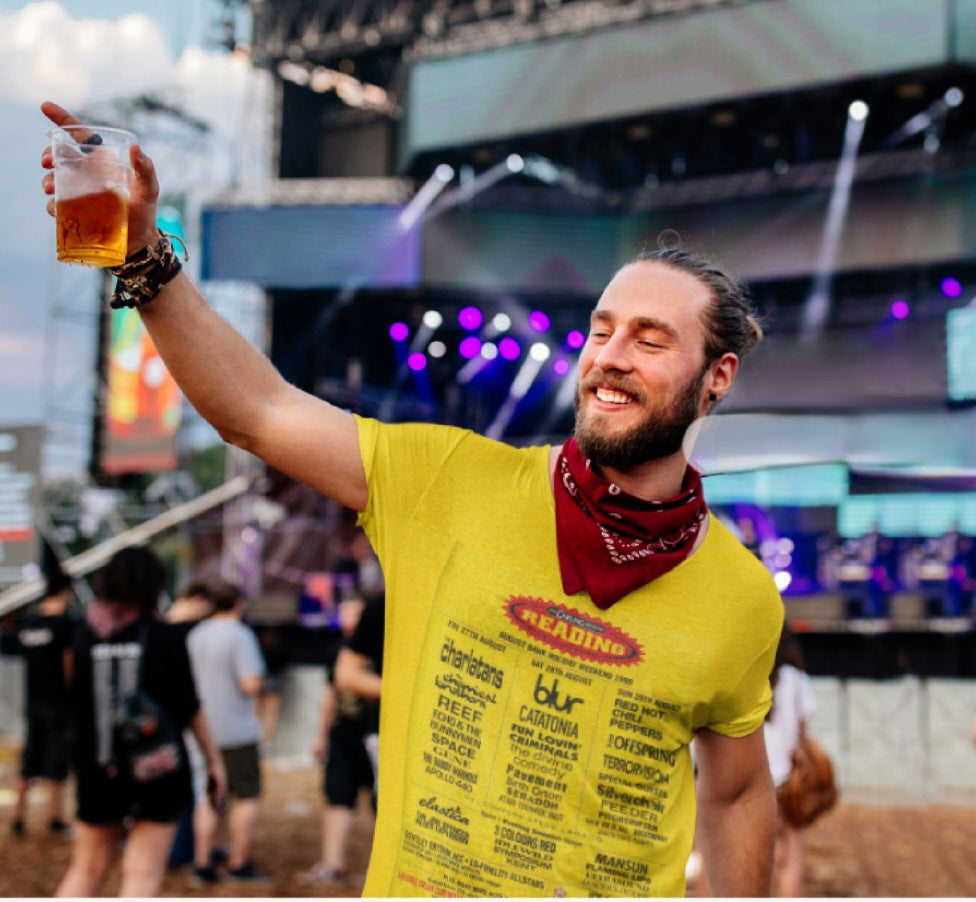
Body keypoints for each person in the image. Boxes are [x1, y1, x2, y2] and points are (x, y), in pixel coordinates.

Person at [40, 102, 784, 897]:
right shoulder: (450, 479)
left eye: (650, 338)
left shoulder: (740, 595)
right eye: (601, 331)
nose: (610, 358)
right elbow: (257, 412)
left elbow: (737, 791)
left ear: (717, 377)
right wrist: (144, 256)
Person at [55, 546, 226, 898]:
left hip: (98, 768)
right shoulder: (166, 637)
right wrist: (214, 761)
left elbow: (71, 700)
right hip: (158, 768)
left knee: (86, 870)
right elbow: (190, 707)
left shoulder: (84, 637)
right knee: (143, 874)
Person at [185, 580, 268, 884]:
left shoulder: (195, 634)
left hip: (201, 730)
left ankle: (202, 863)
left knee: (207, 798)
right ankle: (238, 862)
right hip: (236, 731)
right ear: (238, 604)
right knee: (245, 796)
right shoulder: (240, 635)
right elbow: (251, 684)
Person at [301, 596, 374, 886]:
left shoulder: (384, 646)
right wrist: (321, 736)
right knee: (337, 796)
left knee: (382, 803)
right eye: (345, 612)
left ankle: (380, 867)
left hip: (377, 736)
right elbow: (331, 694)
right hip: (344, 735)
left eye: (356, 612)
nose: (349, 618)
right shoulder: (335, 650)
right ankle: (332, 865)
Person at [1, 567, 77, 838]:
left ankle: (18, 817)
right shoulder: (67, 625)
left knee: (30, 759)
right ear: (66, 591)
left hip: (33, 702)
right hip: (59, 703)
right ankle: (54, 818)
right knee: (56, 762)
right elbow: (69, 664)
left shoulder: (30, 624)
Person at [163, 581, 217, 870]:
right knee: (195, 786)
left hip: (167, 723)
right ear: (198, 600)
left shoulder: (160, 629)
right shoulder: (193, 633)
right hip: (188, 720)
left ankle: (182, 848)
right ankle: (184, 849)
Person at [763, 626, 814, 897]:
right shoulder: (795, 677)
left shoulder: (750, 674)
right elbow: (802, 729)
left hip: (750, 777)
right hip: (785, 775)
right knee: (791, 853)